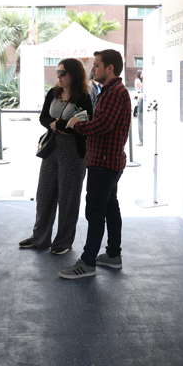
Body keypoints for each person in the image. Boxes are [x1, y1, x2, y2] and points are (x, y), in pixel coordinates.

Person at [59, 49, 132, 279]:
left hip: (104, 163)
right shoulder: (110, 91)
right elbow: (103, 123)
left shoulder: (114, 93)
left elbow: (103, 125)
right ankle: (112, 255)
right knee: (110, 208)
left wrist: (76, 125)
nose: (92, 69)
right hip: (107, 161)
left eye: (97, 65)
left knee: (95, 212)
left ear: (110, 68)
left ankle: (88, 263)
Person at [19, 58, 93, 255]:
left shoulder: (84, 96)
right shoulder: (53, 92)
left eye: (63, 73)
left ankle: (63, 241)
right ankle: (40, 238)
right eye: (57, 72)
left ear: (74, 75)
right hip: (51, 148)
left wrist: (61, 125)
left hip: (73, 151)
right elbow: (44, 116)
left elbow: (86, 123)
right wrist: (54, 124)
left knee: (68, 198)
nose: (58, 76)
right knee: (44, 194)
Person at [134, 70, 143, 146]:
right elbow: (141, 87)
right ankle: (142, 139)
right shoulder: (137, 80)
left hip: (140, 101)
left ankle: (142, 139)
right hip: (140, 101)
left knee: (141, 122)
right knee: (140, 122)